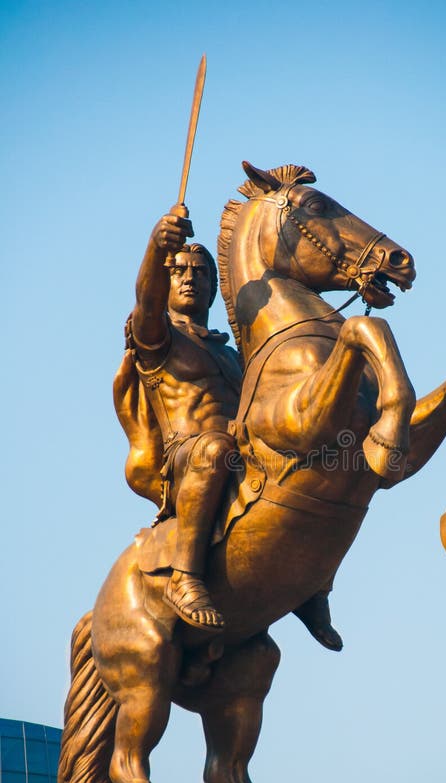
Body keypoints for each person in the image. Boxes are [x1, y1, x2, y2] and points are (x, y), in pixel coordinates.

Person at [114, 211, 343, 649]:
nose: (189, 278)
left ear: (214, 288)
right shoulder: (157, 338)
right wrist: (156, 246)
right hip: (188, 457)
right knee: (215, 449)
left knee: (323, 457)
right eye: (178, 270)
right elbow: (146, 300)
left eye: (200, 272)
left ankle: (313, 589)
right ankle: (185, 576)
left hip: (243, 450)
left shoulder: (233, 352)